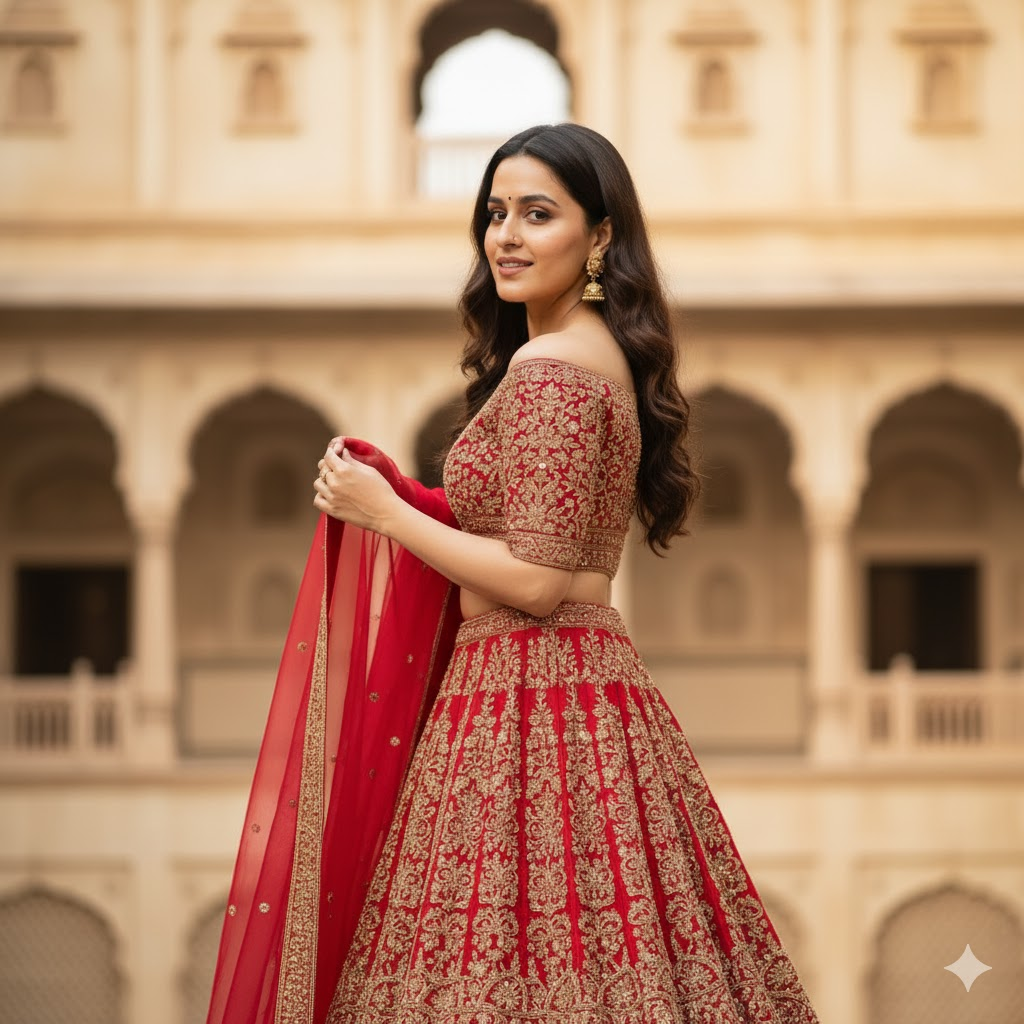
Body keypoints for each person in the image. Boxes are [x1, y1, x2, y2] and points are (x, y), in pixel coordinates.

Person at [206, 123, 819, 1024]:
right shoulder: (597, 355)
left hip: (525, 698)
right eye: (495, 213)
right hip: (579, 694)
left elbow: (533, 580)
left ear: (601, 235)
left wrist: (389, 514)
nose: (508, 236)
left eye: (539, 214)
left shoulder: (552, 367)